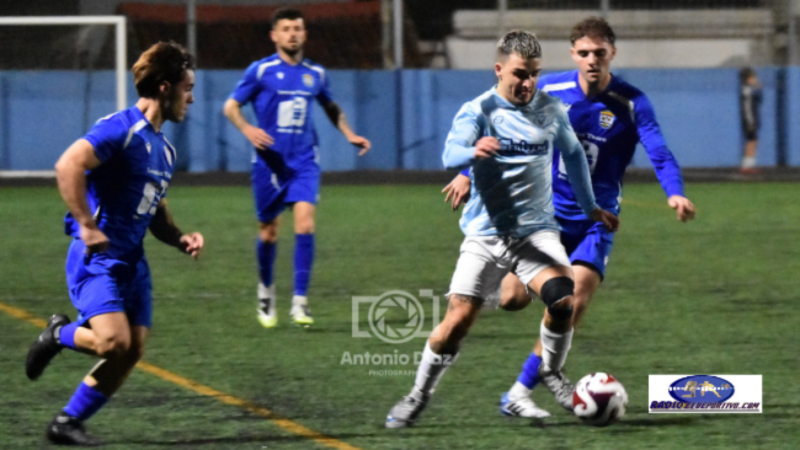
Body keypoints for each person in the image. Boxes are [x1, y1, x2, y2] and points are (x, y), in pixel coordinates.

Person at [443, 17, 696, 419]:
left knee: (573, 300)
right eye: (584, 52)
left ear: (612, 52)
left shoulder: (632, 103)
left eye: (600, 52)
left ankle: (519, 391)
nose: (592, 59)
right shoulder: (549, 89)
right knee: (512, 299)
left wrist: (675, 191)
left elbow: (659, 152)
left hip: (596, 219)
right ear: (573, 54)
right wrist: (466, 172)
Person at [384, 30, 619, 429]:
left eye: (534, 74)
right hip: (485, 234)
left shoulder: (550, 109)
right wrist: (471, 153)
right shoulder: (478, 110)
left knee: (563, 299)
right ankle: (418, 394)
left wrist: (590, 207)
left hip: (536, 234)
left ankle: (551, 371)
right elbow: (449, 153)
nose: (528, 83)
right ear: (499, 70)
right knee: (456, 323)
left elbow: (574, 155)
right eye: (519, 74)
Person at [24, 42, 204, 445]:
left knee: (133, 348)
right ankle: (57, 335)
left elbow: (154, 208)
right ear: (164, 87)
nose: (191, 98)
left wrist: (179, 238)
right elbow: (68, 165)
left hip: (133, 263)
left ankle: (67, 422)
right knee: (112, 342)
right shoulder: (121, 129)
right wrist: (87, 225)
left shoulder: (165, 149)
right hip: (98, 258)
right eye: (187, 88)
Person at [223, 8, 370, 328]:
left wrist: (349, 134)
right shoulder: (260, 71)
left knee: (305, 225)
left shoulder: (315, 73)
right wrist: (248, 129)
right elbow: (231, 106)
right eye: (286, 28)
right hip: (269, 162)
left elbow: (330, 106)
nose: (292, 33)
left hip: (304, 160)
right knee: (269, 232)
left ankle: (300, 303)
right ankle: (266, 291)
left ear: (304, 34)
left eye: (297, 28)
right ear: (274, 35)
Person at [739, 67, 761, 174]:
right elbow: (747, 108)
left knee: (753, 141)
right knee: (751, 141)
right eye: (752, 77)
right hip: (749, 120)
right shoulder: (746, 90)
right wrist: (750, 122)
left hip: (751, 119)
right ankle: (746, 165)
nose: (754, 79)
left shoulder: (748, 89)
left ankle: (750, 163)